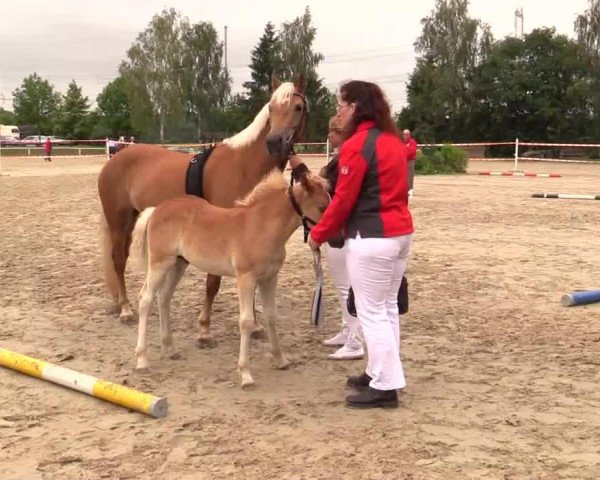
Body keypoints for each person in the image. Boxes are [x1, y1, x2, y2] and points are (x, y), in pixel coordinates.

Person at [306, 80, 414, 409]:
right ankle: (378, 372)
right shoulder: (393, 140)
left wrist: (319, 232)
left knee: (371, 311)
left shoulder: (357, 146)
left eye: (341, 105)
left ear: (354, 107)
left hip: (372, 238)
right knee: (387, 309)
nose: (338, 113)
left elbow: (343, 200)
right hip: (398, 233)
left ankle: (385, 385)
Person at [318, 116, 364, 360]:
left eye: (331, 133)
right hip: (343, 229)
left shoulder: (345, 159)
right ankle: (348, 330)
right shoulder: (339, 158)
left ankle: (355, 339)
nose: (329, 137)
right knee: (343, 285)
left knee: (346, 286)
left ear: (341, 133)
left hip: (342, 230)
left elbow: (331, 192)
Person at [403, 129, 417, 197]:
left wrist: (405, 150)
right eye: (404, 134)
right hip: (404, 160)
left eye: (406, 134)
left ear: (409, 135)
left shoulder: (412, 142)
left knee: (410, 176)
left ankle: (410, 190)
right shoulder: (402, 142)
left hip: (410, 160)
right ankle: (405, 190)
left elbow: (412, 151)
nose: (405, 136)